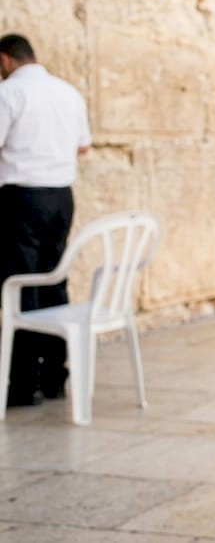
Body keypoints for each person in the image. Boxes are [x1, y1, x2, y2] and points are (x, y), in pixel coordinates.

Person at [0, 34, 91, 406]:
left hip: (23, 197)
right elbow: (83, 145)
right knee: (54, 281)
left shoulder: (9, 93)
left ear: (5, 60)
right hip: (61, 197)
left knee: (20, 285)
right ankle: (55, 376)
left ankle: (23, 384)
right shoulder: (68, 92)